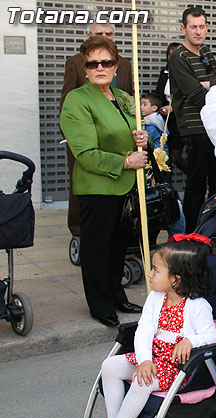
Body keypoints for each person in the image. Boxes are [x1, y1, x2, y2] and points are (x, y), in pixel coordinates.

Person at [60, 37, 147, 327]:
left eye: (106, 62)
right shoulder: (78, 100)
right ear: (84, 68)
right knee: (97, 248)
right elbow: (85, 153)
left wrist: (140, 138)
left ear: (115, 66)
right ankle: (100, 304)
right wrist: (125, 161)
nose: (100, 68)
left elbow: (130, 129)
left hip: (125, 186)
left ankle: (116, 294)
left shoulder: (121, 97)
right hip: (98, 186)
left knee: (118, 246)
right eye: (92, 63)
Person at [100, 236, 216, 418]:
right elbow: (144, 330)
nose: (149, 274)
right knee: (109, 366)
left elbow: (211, 335)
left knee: (142, 382)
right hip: (154, 357)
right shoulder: (156, 298)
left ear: (176, 280)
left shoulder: (197, 306)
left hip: (176, 367)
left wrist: (190, 341)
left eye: (156, 270)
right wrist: (145, 360)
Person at [60, 22, 133, 240]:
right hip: (88, 142)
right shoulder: (75, 67)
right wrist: (71, 136)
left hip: (121, 160)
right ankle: (78, 230)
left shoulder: (125, 71)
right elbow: (68, 98)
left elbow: (128, 108)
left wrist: (137, 132)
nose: (100, 67)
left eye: (108, 33)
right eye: (93, 64)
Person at [169, 6, 216, 232]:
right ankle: (192, 234)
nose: (198, 31)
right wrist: (212, 88)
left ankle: (215, 231)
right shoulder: (178, 56)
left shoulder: (207, 53)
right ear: (184, 28)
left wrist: (210, 86)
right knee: (196, 184)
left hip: (215, 127)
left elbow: (215, 84)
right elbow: (194, 94)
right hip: (195, 127)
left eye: (202, 26)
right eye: (193, 27)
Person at [154, 42, 187, 174]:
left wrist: (173, 108)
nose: (172, 57)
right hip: (164, 121)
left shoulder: (186, 74)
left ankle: (195, 177)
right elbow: (157, 94)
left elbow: (189, 98)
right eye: (170, 54)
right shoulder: (164, 73)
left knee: (175, 157)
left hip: (180, 120)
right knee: (163, 156)